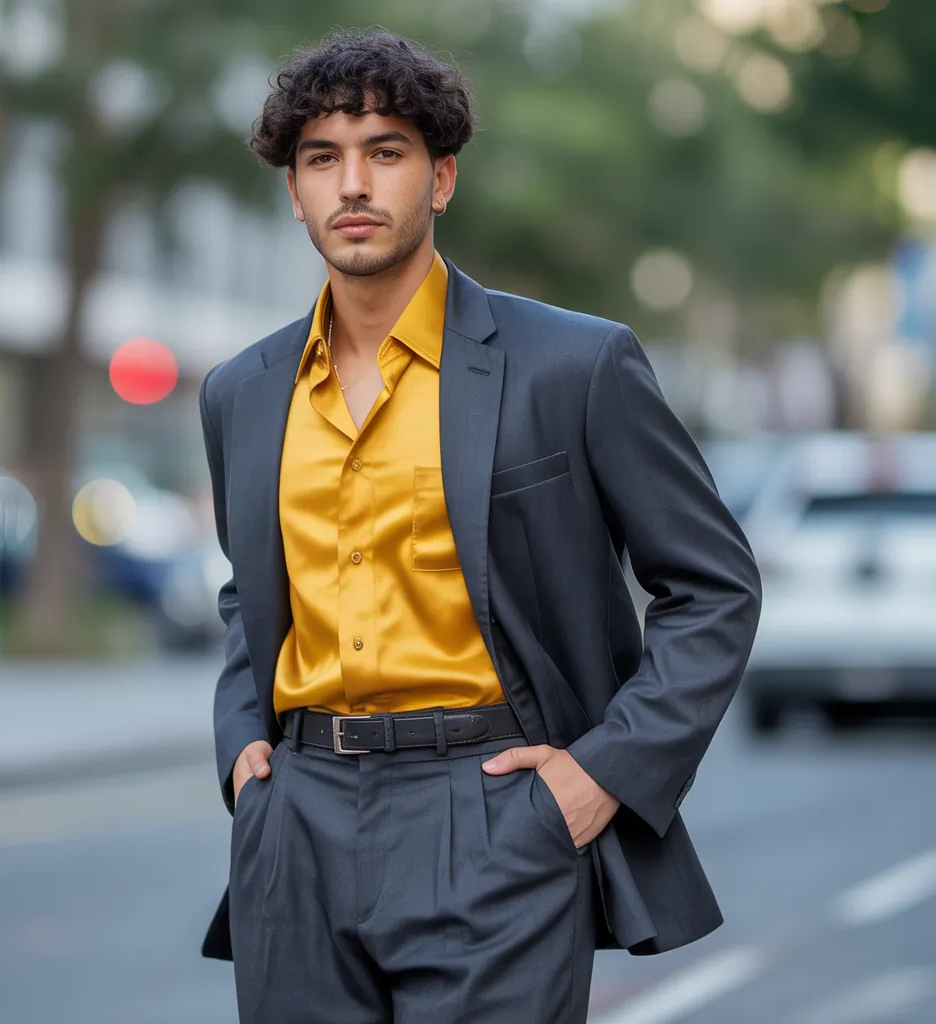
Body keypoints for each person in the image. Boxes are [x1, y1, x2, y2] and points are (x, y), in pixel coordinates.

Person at [197, 26, 762, 1024]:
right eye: (321, 159)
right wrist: (244, 744)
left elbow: (712, 586)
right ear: (294, 192)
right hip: (296, 820)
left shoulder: (572, 366)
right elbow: (254, 583)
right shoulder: (242, 391)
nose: (352, 184)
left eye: (386, 152)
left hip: (493, 809)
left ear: (441, 177)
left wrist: (601, 775)